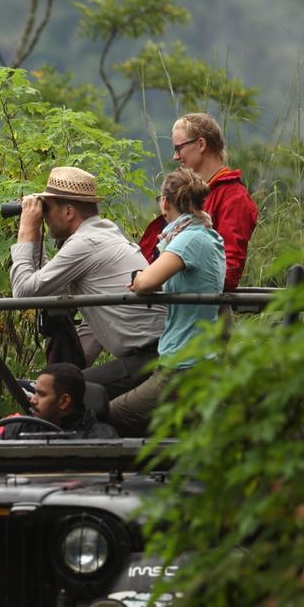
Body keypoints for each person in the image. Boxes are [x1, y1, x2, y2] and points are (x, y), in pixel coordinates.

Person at [10, 166, 165, 400]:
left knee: (54, 396)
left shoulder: (87, 243)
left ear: (69, 211)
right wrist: (36, 240)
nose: (45, 216)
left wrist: (26, 231)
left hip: (150, 358)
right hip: (152, 352)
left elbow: (22, 293)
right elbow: (46, 287)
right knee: (47, 387)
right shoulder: (103, 234)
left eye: (48, 209)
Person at [110, 168, 226, 436]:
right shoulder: (205, 234)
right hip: (195, 357)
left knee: (113, 414)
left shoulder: (188, 239)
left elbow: (146, 282)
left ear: (165, 202)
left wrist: (139, 278)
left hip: (182, 365)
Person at [138, 113, 257, 291]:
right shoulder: (191, 193)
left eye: (179, 148)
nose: (175, 157)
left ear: (201, 144)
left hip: (200, 312)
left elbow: (227, 272)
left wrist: (166, 275)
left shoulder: (234, 197)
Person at [0, 363, 119, 439]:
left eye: (41, 394)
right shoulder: (18, 430)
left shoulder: (100, 437)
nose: (33, 400)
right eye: (35, 393)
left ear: (64, 401)